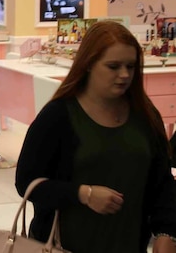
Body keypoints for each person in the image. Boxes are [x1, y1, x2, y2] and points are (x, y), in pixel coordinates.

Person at [15, 21, 176, 253]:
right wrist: (83, 194)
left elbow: (162, 183)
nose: (124, 75)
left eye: (130, 67)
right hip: (65, 244)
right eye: (113, 66)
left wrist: (166, 232)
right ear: (89, 64)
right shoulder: (59, 116)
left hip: (129, 242)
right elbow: (26, 183)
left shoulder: (145, 117)